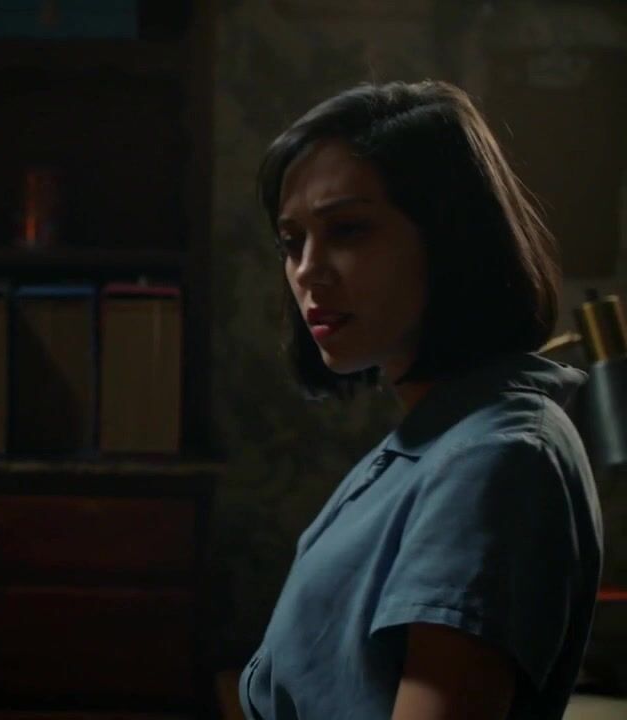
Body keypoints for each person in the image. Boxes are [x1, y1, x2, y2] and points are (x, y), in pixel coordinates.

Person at [239, 80, 603, 719]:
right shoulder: (436, 438)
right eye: (291, 242)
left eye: (348, 230)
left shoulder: (493, 457)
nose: (307, 270)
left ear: (451, 238)